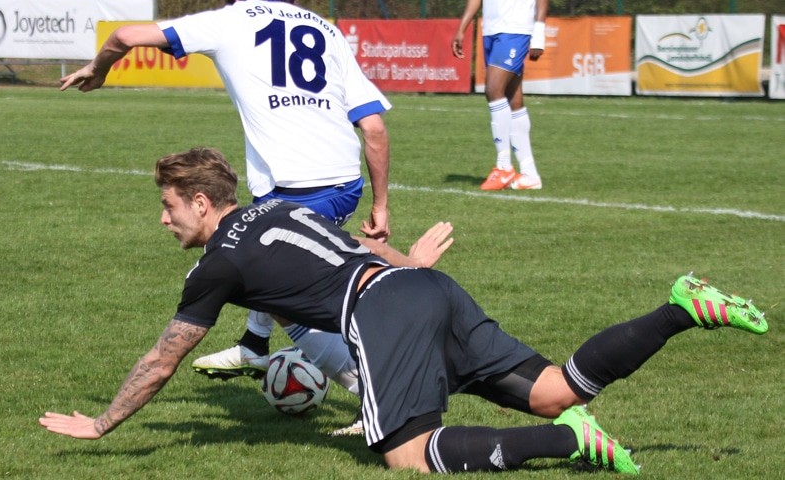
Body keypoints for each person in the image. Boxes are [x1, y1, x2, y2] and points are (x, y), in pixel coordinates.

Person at [40, 146, 769, 475]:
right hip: (423, 287)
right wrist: (412, 263)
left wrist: (102, 423)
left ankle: (570, 443)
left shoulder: (216, 263)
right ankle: (682, 308)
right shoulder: (279, 208)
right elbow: (357, 245)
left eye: (169, 206)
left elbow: (165, 358)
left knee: (408, 457)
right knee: (555, 390)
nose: (164, 219)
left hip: (384, 310)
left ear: (202, 203)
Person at [58, 0, 390, 406]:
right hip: (342, 181)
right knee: (270, 271)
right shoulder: (327, 30)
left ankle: (379, 398)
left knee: (273, 288)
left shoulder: (232, 19)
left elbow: (125, 35)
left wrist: (99, 69)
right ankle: (257, 346)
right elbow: (373, 127)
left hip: (297, 188)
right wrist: (380, 205)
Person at [451, 0, 549, 191]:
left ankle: (504, 167)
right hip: (491, 30)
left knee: (493, 89)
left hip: (517, 28)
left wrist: (539, 31)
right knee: (513, 99)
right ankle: (530, 174)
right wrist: (463, 26)